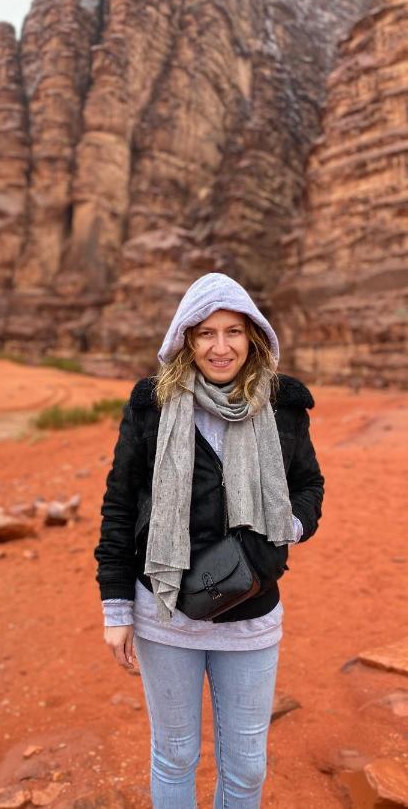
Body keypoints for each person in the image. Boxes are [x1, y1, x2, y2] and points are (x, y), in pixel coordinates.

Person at [94, 272, 324, 809]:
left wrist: (288, 526)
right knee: (174, 754)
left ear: (254, 336)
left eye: (234, 332)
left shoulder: (283, 404)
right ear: (185, 340)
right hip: (165, 611)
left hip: (252, 609)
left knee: (246, 767)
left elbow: (308, 484)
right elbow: (120, 505)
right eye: (205, 334)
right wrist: (115, 607)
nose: (221, 348)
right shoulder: (152, 405)